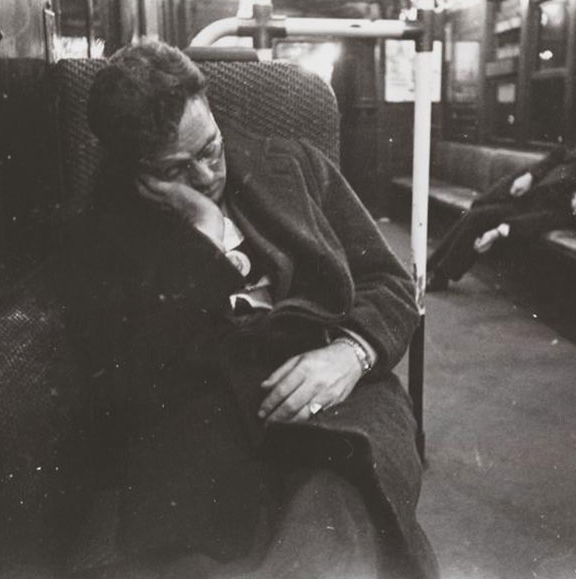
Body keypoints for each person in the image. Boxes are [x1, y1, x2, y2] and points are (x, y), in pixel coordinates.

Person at [64, 41, 437, 579]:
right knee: (199, 551)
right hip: (202, 412)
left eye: (210, 149)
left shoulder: (295, 164)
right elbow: (125, 379)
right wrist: (203, 240)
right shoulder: (103, 231)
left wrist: (351, 355)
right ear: (137, 171)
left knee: (340, 514)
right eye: (177, 169)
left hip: (334, 387)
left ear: (212, 113)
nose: (206, 175)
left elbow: (390, 281)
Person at [426, 144, 576, 291]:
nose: (572, 204)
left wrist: (496, 233)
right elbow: (559, 152)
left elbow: (536, 221)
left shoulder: (571, 213)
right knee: (476, 211)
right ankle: (430, 267)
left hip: (524, 209)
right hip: (523, 186)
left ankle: (440, 275)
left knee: (478, 217)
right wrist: (531, 175)